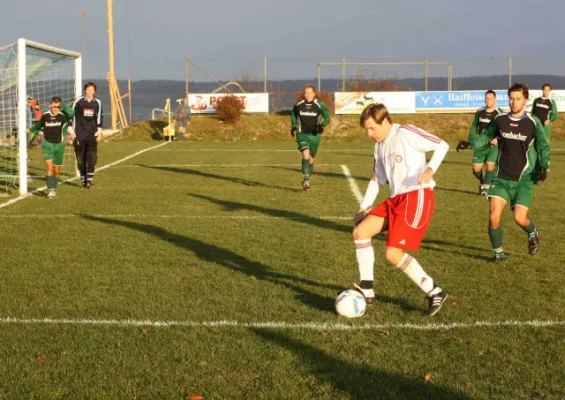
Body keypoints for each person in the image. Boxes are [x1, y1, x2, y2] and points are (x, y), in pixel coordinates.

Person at [351, 103, 450, 316]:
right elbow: (377, 179)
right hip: (395, 200)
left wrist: (431, 169)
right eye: (366, 129)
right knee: (360, 231)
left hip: (416, 196)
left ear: (385, 121)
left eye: (372, 128)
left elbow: (442, 145)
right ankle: (367, 289)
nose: (369, 134)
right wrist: (363, 207)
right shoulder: (378, 147)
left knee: (393, 254)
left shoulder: (405, 132)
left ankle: (435, 291)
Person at [469, 83, 550, 262]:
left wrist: (544, 166)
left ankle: (532, 232)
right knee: (493, 216)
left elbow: (543, 146)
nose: (514, 102)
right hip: (501, 178)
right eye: (511, 98)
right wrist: (471, 143)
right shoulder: (500, 120)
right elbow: (486, 136)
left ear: (525, 100)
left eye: (518, 99)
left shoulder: (532, 122)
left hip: (524, 179)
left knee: (520, 218)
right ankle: (498, 253)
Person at [27, 97, 75, 199]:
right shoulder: (45, 116)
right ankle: (51, 190)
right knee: (49, 167)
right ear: (50, 105)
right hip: (47, 144)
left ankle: (54, 184)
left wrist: (61, 106)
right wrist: (30, 130)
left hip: (59, 145)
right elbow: (38, 126)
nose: (55, 109)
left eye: (57, 107)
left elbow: (71, 112)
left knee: (56, 170)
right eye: (53, 106)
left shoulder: (64, 116)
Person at [290, 84, 331, 190]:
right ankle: (306, 181)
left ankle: (307, 179)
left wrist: (322, 125)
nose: (307, 95)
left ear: (314, 93)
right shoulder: (299, 105)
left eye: (309, 92)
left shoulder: (319, 105)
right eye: (306, 93)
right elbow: (293, 114)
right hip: (302, 134)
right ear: (304, 94)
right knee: (305, 154)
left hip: (314, 136)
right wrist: (294, 126)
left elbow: (327, 116)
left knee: (311, 160)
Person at [467, 90, 504, 196]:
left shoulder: (499, 112)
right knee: (476, 168)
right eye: (486, 98)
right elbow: (474, 126)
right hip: (480, 144)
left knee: (490, 165)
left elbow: (504, 128)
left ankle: (486, 189)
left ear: (495, 99)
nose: (488, 100)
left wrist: (498, 138)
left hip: (493, 145)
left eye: (490, 98)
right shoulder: (480, 112)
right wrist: (472, 139)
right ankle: (483, 181)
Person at [72, 82, 103, 189]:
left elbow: (99, 118)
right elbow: (72, 116)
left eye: (92, 90)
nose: (90, 92)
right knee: (80, 158)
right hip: (79, 134)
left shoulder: (97, 102)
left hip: (92, 134)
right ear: (85, 90)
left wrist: (99, 131)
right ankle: (83, 179)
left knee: (91, 156)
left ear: (94, 91)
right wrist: (71, 131)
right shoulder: (78, 101)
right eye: (88, 90)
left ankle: (89, 180)